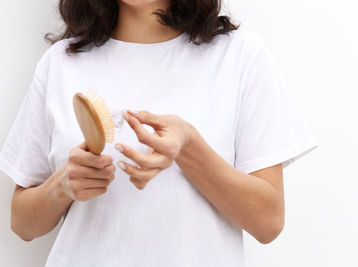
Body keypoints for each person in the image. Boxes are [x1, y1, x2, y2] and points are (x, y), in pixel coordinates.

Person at [0, 0, 319, 266]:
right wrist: (62, 185)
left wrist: (189, 148)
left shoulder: (240, 57)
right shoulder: (61, 62)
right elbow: (22, 224)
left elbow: (268, 222)